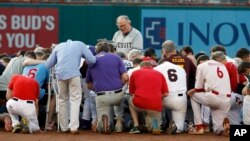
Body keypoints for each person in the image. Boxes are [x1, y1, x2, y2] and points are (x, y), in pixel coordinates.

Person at [45, 39, 96, 134]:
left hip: (60, 75)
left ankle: (64, 127)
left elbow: (48, 64)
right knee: (75, 100)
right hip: (74, 74)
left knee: (62, 100)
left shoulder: (58, 47)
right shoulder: (81, 44)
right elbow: (92, 60)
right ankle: (73, 127)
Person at [86, 41, 128, 134]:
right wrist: (118, 87)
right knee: (119, 101)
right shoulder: (116, 57)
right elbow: (125, 78)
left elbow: (88, 85)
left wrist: (97, 89)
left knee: (102, 115)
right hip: (117, 94)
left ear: (97, 51)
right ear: (109, 49)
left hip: (101, 95)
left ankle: (104, 122)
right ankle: (119, 121)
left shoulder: (92, 60)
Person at [187, 56, 231, 136]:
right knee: (218, 131)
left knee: (192, 95)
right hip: (227, 100)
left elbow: (198, 87)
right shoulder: (223, 65)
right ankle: (224, 127)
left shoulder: (201, 66)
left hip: (214, 97)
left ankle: (198, 127)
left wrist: (192, 90)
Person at [128, 61, 168, 135]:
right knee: (152, 122)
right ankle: (154, 126)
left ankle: (136, 126)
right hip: (155, 105)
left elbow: (131, 93)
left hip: (140, 103)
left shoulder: (135, 73)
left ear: (141, 67)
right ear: (152, 67)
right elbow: (166, 94)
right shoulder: (160, 74)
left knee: (130, 100)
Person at [154, 60, 187, 134]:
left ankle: (157, 126)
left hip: (165, 97)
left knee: (153, 109)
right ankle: (178, 127)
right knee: (179, 129)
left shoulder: (157, 68)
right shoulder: (180, 68)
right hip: (180, 98)